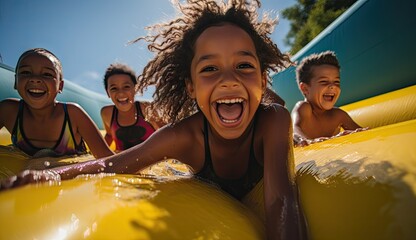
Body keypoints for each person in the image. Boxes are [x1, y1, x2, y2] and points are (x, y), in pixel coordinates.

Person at [1, 1, 307, 239]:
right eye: (210, 69)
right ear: (190, 86)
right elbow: (111, 164)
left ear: (263, 80)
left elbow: (281, 201)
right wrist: (55, 176)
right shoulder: (183, 136)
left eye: (243, 65)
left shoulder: (273, 120)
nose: (228, 79)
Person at [0, 48, 114, 158]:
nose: (35, 79)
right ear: (15, 81)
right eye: (25, 72)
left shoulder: (73, 115)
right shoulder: (8, 111)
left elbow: (109, 160)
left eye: (47, 74)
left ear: (60, 86)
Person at [291, 51, 364, 146]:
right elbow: (294, 130)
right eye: (324, 81)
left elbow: (364, 133)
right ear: (305, 88)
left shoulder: (338, 115)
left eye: (336, 82)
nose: (332, 86)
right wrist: (305, 141)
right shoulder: (304, 109)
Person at [100, 63, 163, 152]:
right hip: (123, 162)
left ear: (135, 89)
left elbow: (167, 133)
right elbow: (109, 135)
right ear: (107, 93)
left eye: (126, 87)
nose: (121, 93)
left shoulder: (146, 109)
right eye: (114, 88)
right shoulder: (107, 113)